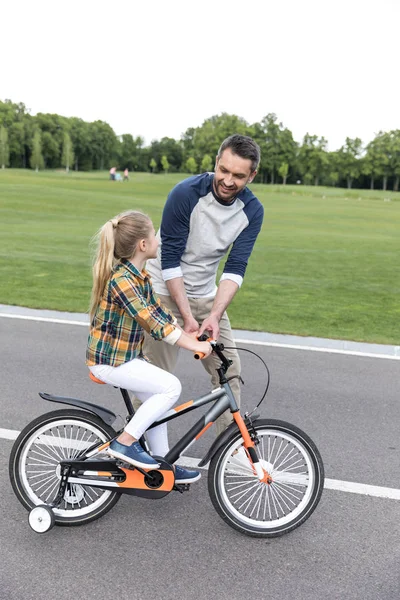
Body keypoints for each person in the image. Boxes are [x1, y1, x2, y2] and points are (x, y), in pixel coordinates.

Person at [142, 134, 264, 436]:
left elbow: (235, 268)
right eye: (223, 170)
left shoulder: (252, 211)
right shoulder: (185, 194)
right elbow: (170, 259)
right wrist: (186, 318)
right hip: (161, 290)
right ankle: (140, 445)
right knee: (156, 377)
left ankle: (230, 446)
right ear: (216, 162)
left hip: (207, 294)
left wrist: (213, 316)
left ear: (252, 175)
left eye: (238, 175)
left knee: (229, 370)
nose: (228, 180)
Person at [86, 210, 212, 483]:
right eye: (154, 235)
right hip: (110, 361)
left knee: (158, 402)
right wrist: (192, 347)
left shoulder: (139, 277)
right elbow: (152, 324)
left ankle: (161, 463)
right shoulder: (122, 280)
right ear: (143, 245)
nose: (158, 240)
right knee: (170, 387)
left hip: (126, 358)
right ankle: (125, 443)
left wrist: (195, 338)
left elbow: (161, 315)